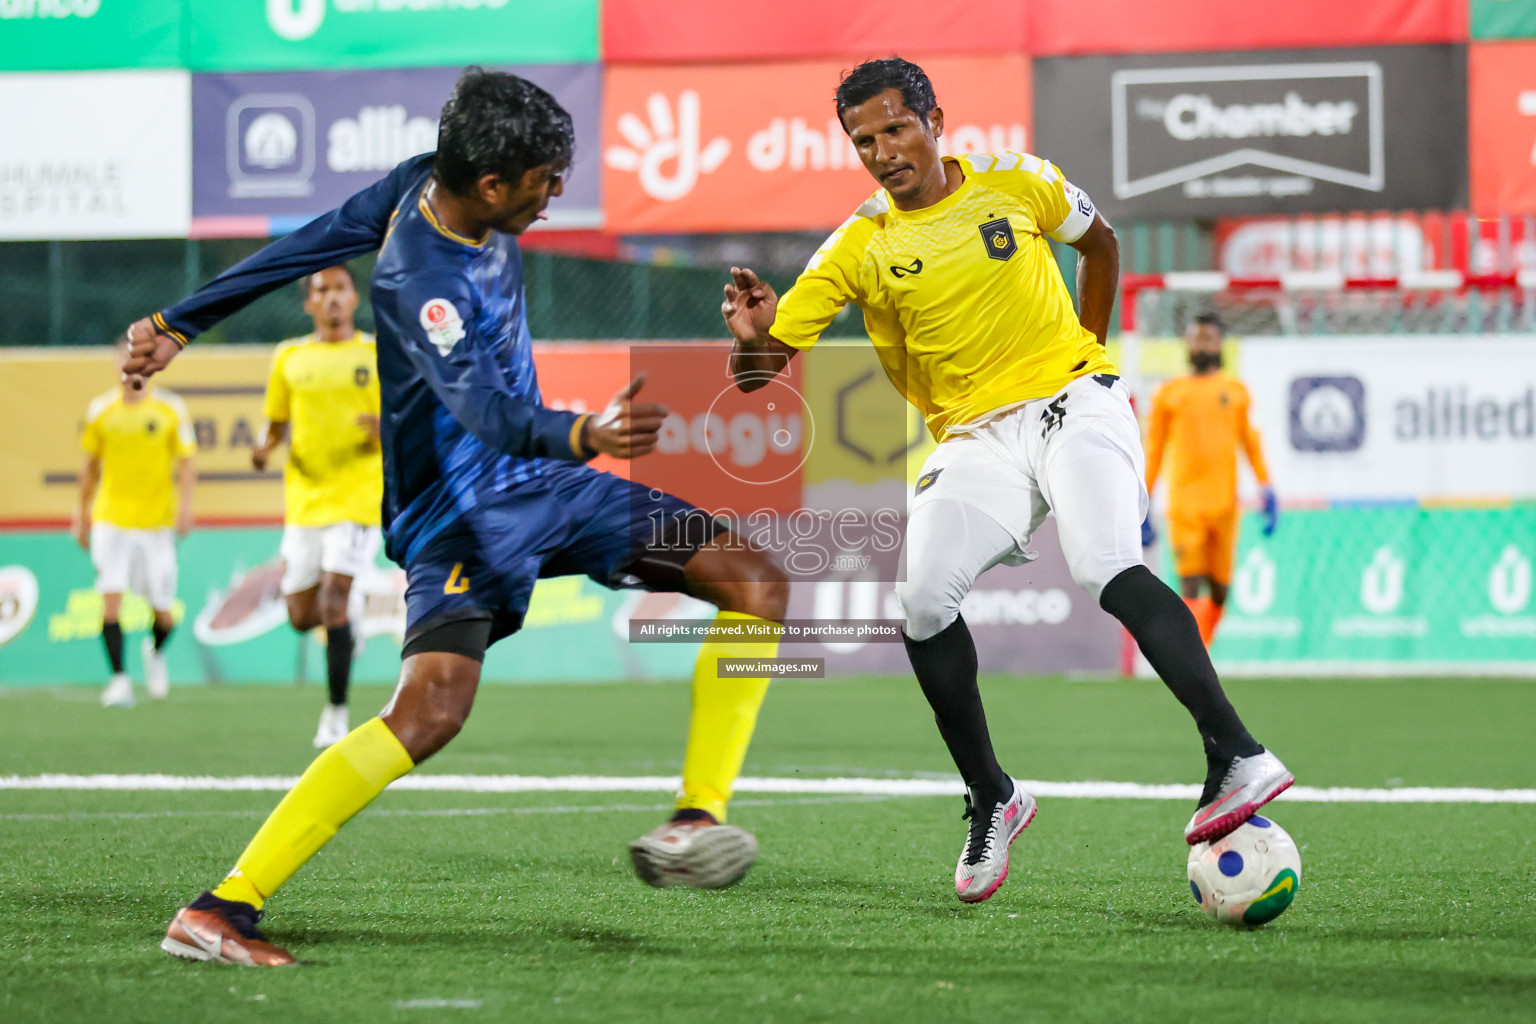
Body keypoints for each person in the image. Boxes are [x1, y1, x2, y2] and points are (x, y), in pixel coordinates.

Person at [123, 69, 787, 967]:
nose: (556, 195)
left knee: (757, 582)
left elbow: (311, 239)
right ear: (488, 186)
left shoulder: (416, 181)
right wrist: (583, 428)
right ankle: (220, 909)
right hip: (462, 512)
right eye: (545, 181)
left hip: (546, 486)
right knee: (431, 712)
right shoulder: (415, 278)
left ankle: (693, 820)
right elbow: (481, 407)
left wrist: (178, 321)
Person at [720, 58, 1291, 905]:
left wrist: (1090, 355)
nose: (883, 151)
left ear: (934, 119)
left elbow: (1100, 244)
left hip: (1072, 399)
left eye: (896, 128)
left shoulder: (1016, 182)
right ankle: (993, 793)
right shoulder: (859, 244)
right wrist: (748, 334)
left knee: (1105, 564)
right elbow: (759, 374)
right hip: (973, 438)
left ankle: (1236, 753)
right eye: (864, 140)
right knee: (921, 602)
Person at [251, 265, 383, 747]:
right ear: (309, 303)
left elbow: (412, 419)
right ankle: (352, 622)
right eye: (321, 291)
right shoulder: (288, 358)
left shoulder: (376, 352)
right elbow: (275, 422)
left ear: (354, 298)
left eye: (339, 290)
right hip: (305, 501)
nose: (331, 298)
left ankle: (335, 714)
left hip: (358, 497)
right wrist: (265, 449)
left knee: (333, 601)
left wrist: (387, 428)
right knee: (302, 616)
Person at [72, 342, 196, 708]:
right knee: (110, 600)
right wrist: (81, 516)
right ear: (116, 365)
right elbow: (90, 467)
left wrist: (186, 507)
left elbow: (187, 463)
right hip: (110, 520)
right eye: (124, 360)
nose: (131, 368)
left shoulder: (170, 409)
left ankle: (154, 651)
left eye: (139, 361)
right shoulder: (101, 410)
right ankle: (119, 681)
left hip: (156, 525)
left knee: (164, 614)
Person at [1143, 313, 1277, 647]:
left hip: (1225, 507)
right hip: (1185, 507)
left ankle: (1199, 651)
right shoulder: (1168, 394)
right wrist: (1142, 501)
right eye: (1195, 338)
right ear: (1186, 344)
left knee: (1220, 589)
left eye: (1208, 338)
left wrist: (1267, 488)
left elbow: (1252, 444)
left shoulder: (1235, 391)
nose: (1201, 344)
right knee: (1189, 583)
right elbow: (1155, 451)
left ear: (1220, 344)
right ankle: (1195, 660)